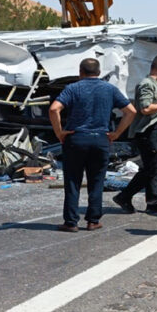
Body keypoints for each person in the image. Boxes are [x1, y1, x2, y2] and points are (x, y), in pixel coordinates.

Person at [49, 58, 137, 232]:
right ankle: (93, 220)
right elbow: (131, 111)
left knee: (73, 181)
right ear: (98, 72)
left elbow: (54, 109)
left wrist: (59, 132)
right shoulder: (110, 89)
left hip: (76, 138)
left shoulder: (72, 88)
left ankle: (71, 221)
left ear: (80, 72)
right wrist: (116, 133)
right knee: (96, 181)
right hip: (100, 139)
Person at [112, 54, 157, 214]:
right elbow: (145, 109)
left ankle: (152, 201)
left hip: (155, 131)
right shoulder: (146, 84)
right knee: (151, 169)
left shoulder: (156, 84)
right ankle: (125, 196)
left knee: (156, 167)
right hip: (147, 132)